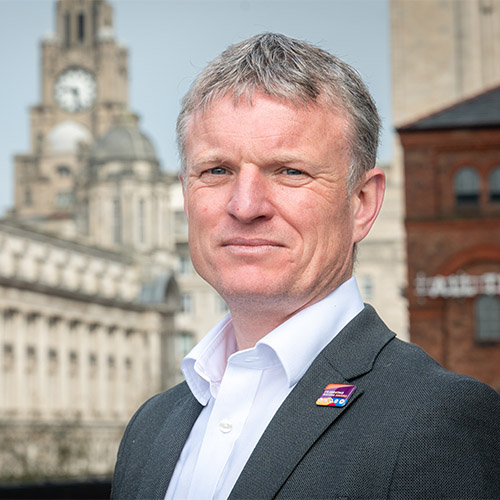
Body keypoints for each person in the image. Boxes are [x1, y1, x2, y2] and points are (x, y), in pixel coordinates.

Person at [112, 33, 500, 500]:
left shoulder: (437, 420)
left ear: (362, 203)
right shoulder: (150, 428)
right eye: (216, 171)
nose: (245, 205)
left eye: (290, 171)